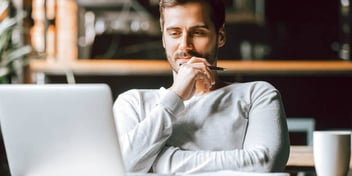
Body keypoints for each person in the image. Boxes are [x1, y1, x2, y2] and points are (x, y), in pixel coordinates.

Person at [113, 0, 290, 174]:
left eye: (198, 32)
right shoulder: (133, 103)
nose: (184, 46)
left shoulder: (258, 95)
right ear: (163, 39)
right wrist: (175, 96)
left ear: (220, 36)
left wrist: (162, 162)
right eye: (174, 33)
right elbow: (118, 167)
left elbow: (265, 163)